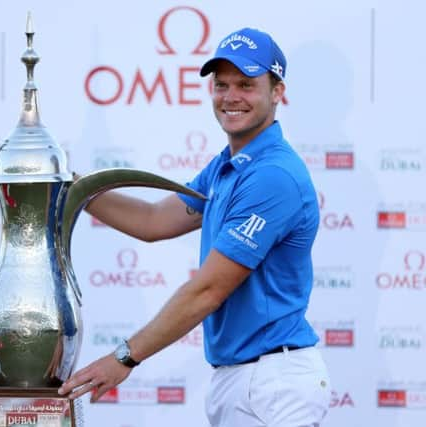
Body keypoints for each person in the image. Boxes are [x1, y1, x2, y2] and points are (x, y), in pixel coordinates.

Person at [58, 27, 331, 426]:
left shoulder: (273, 175)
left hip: (275, 381)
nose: (230, 96)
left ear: (277, 91)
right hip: (245, 379)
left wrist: (124, 357)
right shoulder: (231, 165)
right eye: (221, 84)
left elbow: (208, 290)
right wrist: (70, 189)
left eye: (246, 84)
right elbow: (153, 220)